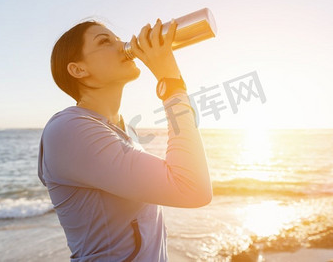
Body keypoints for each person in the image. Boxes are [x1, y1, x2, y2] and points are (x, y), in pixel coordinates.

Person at [37, 17, 213, 261]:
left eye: (118, 38)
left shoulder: (124, 131)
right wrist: (170, 81)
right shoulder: (68, 129)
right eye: (105, 41)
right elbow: (192, 188)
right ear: (79, 69)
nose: (123, 45)